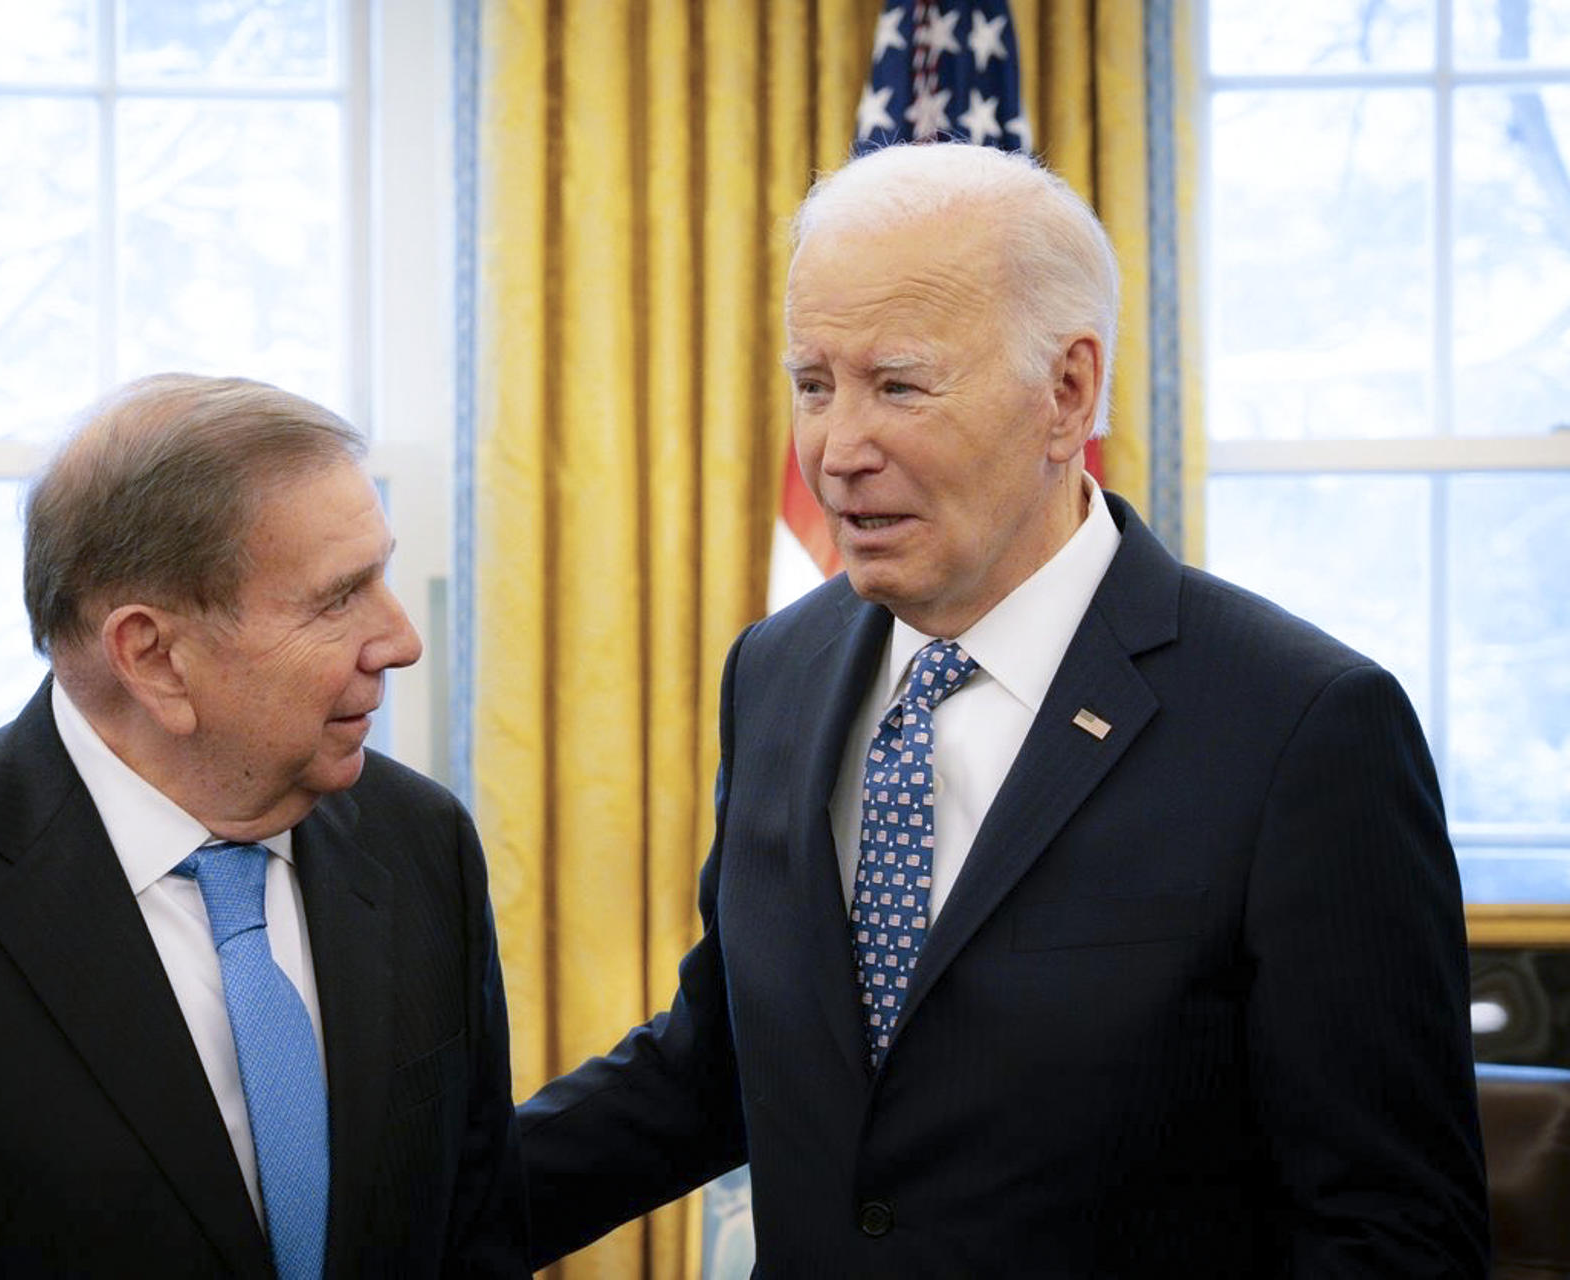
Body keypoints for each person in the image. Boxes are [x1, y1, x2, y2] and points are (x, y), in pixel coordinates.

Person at [518, 143, 1489, 1277]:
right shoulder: (776, 670)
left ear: (1065, 391)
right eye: (813, 383)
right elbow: (719, 1063)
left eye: (898, 384)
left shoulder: (1304, 728)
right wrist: (389, 1212)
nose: (837, 450)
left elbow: (1394, 1233)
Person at [0, 374, 527, 1278]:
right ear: (153, 655)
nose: (401, 638)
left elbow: (469, 1229)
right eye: (338, 599)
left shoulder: (420, 841)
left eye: (383, 574)